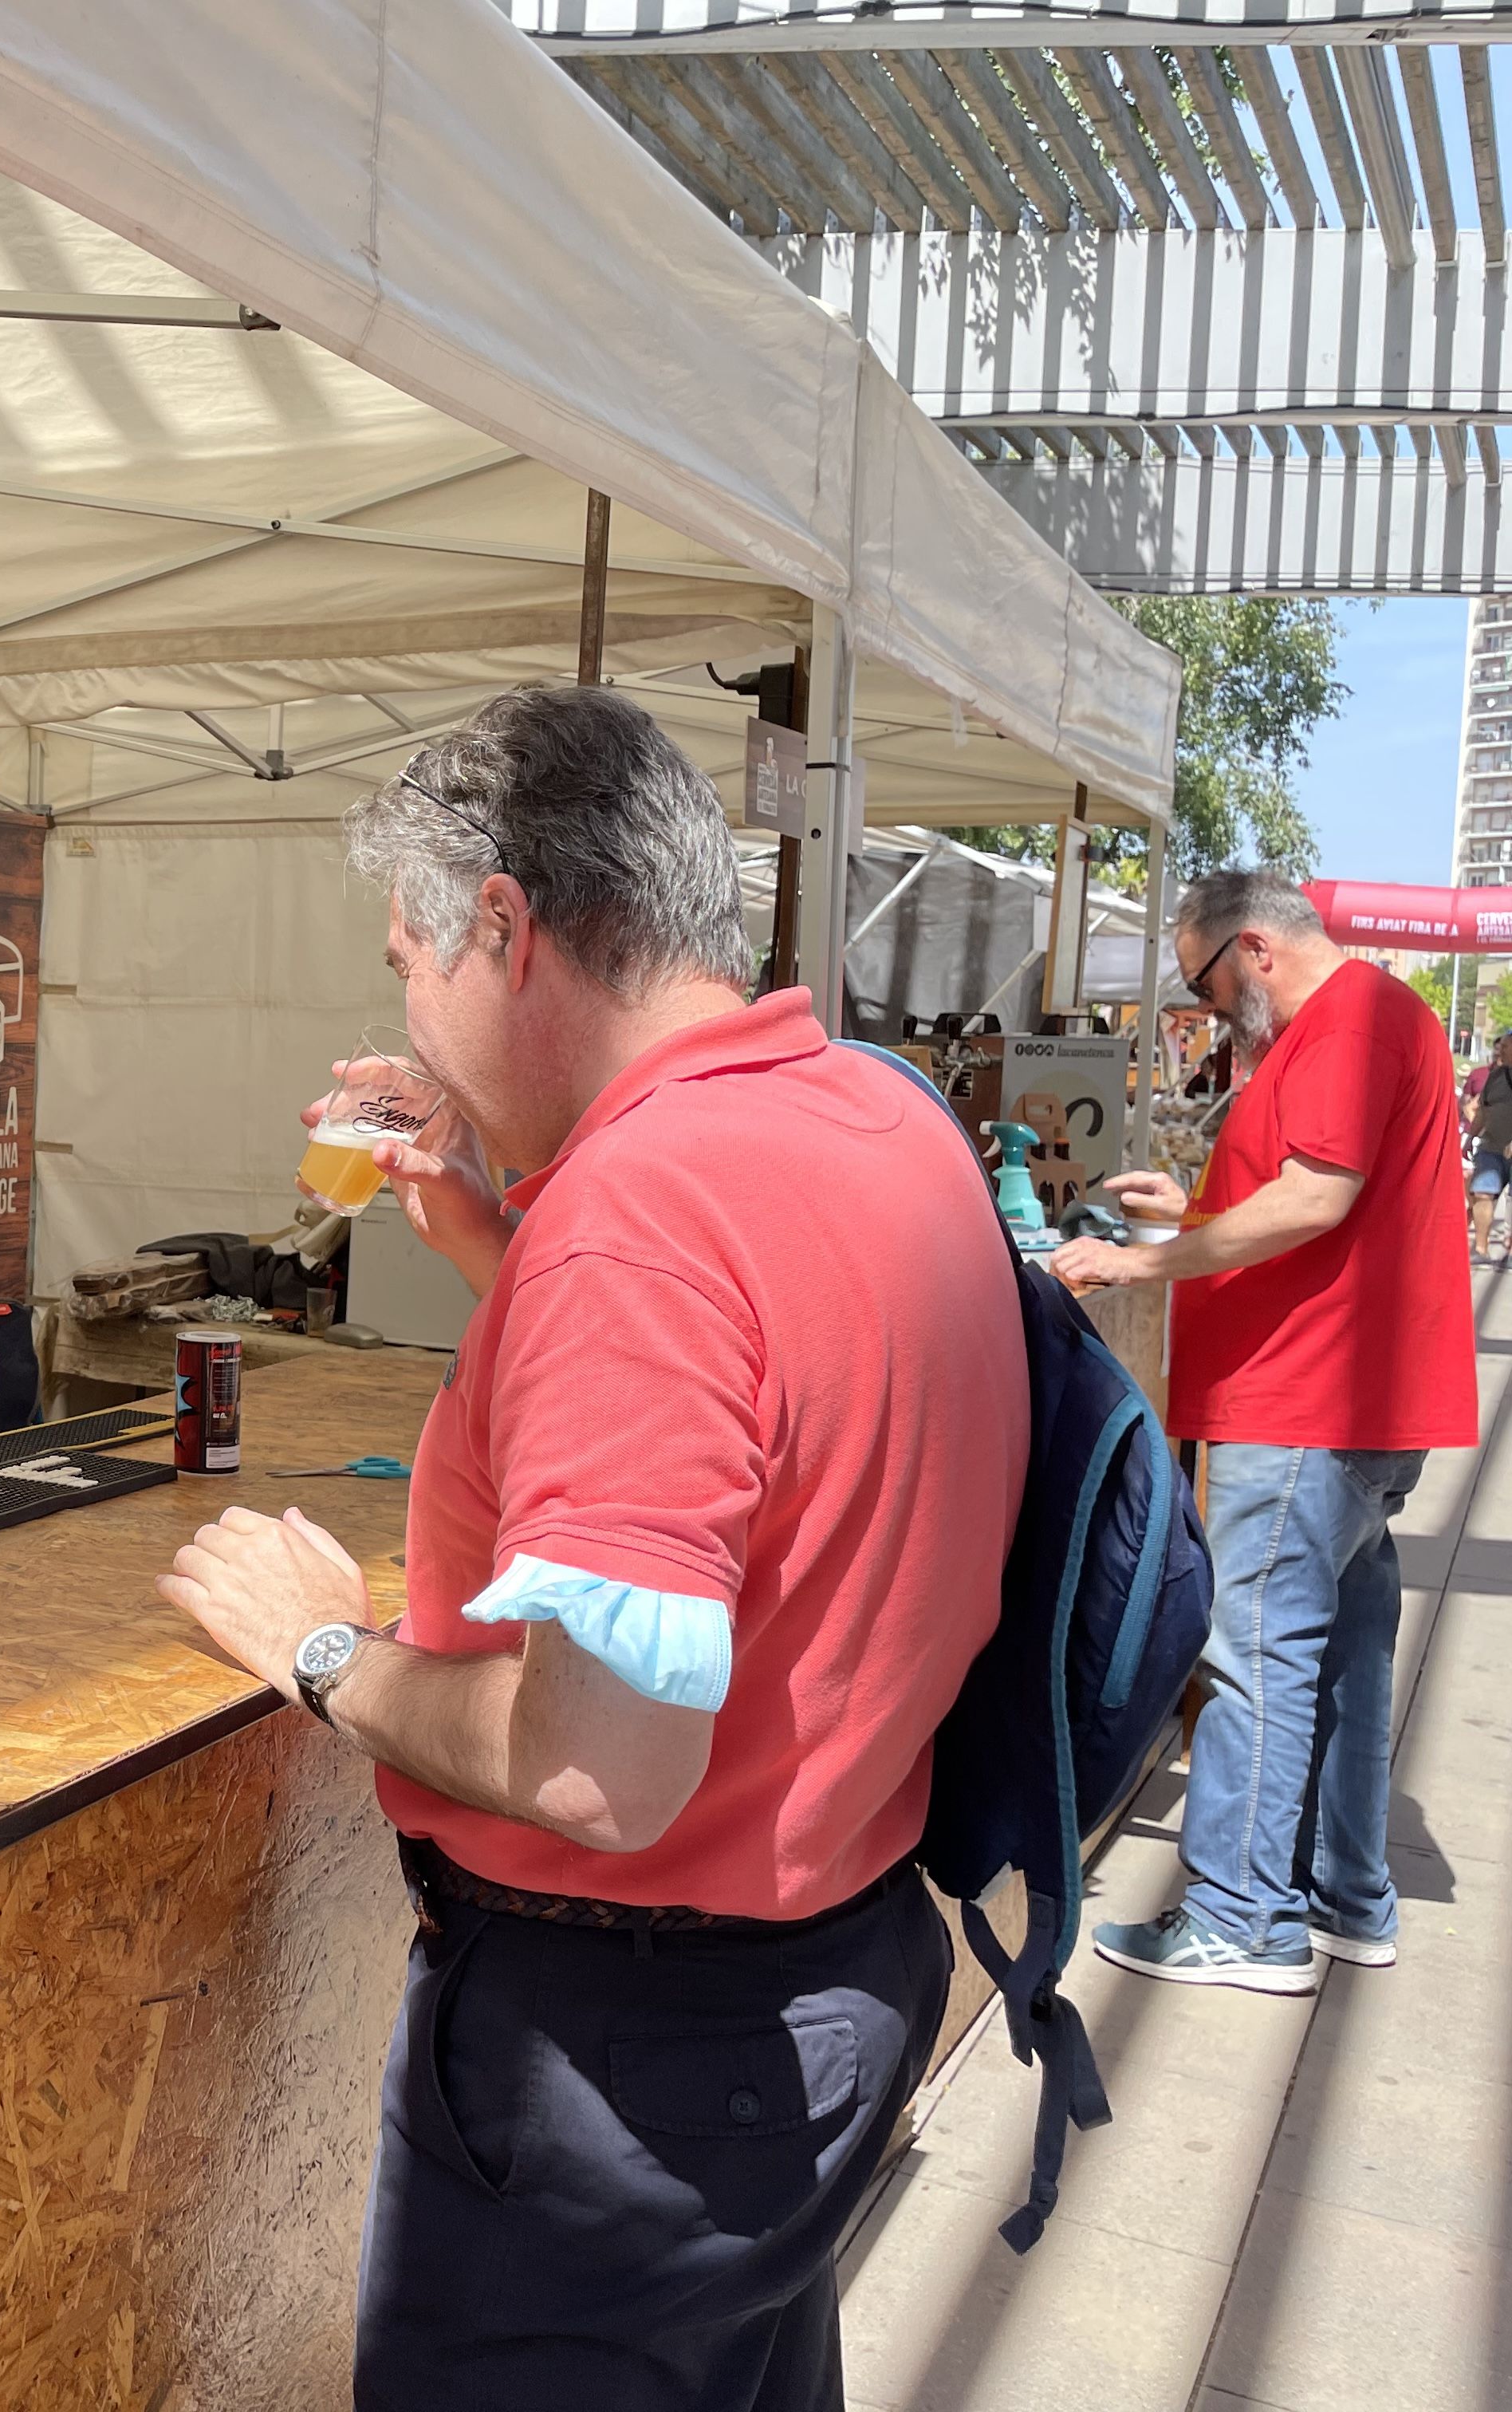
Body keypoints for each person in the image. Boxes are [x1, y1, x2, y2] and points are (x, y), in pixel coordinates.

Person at [159, 685, 1026, 2411]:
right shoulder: (876, 1113)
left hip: (625, 2069)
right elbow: (771, 1397)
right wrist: (501, 1236)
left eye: (410, 959)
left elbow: (599, 1775)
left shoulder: (638, 1225)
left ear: (504, 926)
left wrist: (327, 1653)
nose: (406, 1004)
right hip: (830, 1980)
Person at [1052, 870, 1475, 1991]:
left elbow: (1315, 1198)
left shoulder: (1344, 1019)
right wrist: (1189, 1207)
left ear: (1252, 948)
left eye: (1199, 981)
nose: (1201, 1007)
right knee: (1339, 1654)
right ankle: (1344, 1894)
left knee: (1252, 1656)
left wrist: (1145, 1260)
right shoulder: (1376, 1017)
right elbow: (1318, 1203)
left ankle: (1243, 1916)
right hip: (1352, 1399)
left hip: (1305, 1399)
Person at [1464, 1032, 1512, 1263]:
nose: (1499, 1051)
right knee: (1482, 1194)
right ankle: (1481, 1250)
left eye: (1505, 1047)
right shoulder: (1495, 1076)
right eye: (1500, 1046)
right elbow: (1483, 1110)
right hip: (1491, 1147)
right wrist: (1470, 1137)